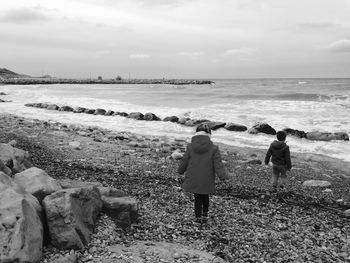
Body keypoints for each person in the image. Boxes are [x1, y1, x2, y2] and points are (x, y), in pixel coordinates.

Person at [178, 123, 228, 222]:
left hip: (194, 176)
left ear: (196, 133)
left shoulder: (190, 146)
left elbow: (185, 160)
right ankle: (205, 214)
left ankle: (198, 217)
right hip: (207, 177)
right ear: (209, 134)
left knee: (197, 197)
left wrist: (181, 171)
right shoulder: (214, 148)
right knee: (205, 195)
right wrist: (223, 177)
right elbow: (218, 164)